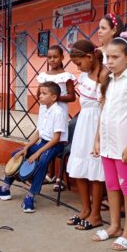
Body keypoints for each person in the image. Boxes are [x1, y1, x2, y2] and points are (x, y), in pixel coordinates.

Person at [91, 32, 127, 250]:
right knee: (111, 185)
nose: (109, 62)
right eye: (107, 58)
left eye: (114, 57)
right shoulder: (109, 80)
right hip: (107, 143)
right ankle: (115, 226)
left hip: (123, 144)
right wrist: (97, 139)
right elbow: (104, 112)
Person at [0, 81, 68, 213]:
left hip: (56, 145)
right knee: (17, 153)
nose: (40, 96)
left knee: (42, 161)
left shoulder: (58, 112)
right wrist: (26, 148)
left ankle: (30, 196)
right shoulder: (44, 109)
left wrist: (37, 154)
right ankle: (5, 188)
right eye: (40, 93)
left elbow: (56, 138)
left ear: (54, 97)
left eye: (44, 93)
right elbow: (38, 133)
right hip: (44, 143)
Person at [66, 39, 109, 231]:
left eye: (79, 63)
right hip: (84, 123)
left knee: (95, 170)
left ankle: (96, 214)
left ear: (90, 57)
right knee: (80, 166)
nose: (78, 67)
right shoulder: (84, 76)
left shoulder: (104, 74)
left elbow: (106, 104)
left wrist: (99, 135)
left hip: (97, 124)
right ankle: (85, 208)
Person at [36, 45, 76, 190]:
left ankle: (60, 178)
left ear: (62, 58)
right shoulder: (43, 75)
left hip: (59, 112)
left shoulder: (66, 76)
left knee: (58, 141)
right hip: (45, 111)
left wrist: (55, 98)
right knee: (46, 139)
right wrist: (44, 98)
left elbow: (72, 96)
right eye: (49, 57)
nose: (52, 60)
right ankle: (48, 174)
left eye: (55, 57)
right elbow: (38, 94)